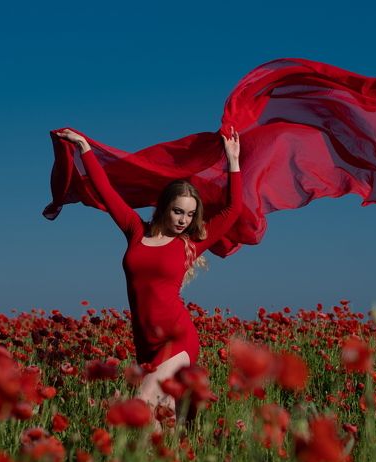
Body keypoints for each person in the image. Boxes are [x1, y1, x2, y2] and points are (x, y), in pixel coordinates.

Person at [54, 127, 242, 418]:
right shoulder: (135, 231)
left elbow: (232, 210)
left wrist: (233, 162)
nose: (184, 220)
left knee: (142, 403)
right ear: (164, 207)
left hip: (178, 339)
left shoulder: (191, 244)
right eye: (179, 211)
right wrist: (84, 148)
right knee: (162, 419)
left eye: (190, 214)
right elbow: (107, 192)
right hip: (145, 343)